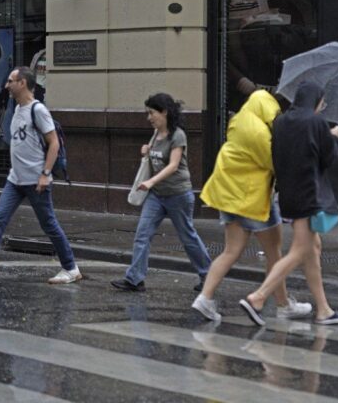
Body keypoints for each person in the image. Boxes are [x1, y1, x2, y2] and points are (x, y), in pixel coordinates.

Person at [0, 67, 81, 284]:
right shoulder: (17, 109)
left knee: (49, 224)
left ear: (22, 83)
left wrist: (45, 174)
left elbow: (54, 143)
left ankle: (70, 268)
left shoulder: (37, 110)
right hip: (15, 180)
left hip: (36, 180)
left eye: (10, 81)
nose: (6, 85)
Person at [191, 90, 312, 322]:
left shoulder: (240, 121)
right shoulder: (260, 133)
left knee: (231, 251)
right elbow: (277, 163)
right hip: (251, 197)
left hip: (229, 195)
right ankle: (282, 304)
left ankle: (204, 298)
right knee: (274, 254)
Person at [239, 82, 338, 326]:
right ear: (316, 100)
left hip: (288, 193)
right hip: (310, 194)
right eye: (322, 102)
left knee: (313, 250)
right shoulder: (316, 122)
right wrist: (335, 138)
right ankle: (258, 297)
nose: (322, 106)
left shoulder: (282, 121)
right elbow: (328, 157)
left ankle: (323, 309)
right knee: (300, 250)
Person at [111, 93, 211, 292]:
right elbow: (156, 157)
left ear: (164, 112)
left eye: (152, 113)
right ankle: (135, 279)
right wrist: (147, 150)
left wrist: (150, 182)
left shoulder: (178, 135)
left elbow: (173, 166)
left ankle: (208, 275)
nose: (149, 117)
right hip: (157, 195)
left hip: (178, 195)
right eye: (147, 113)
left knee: (187, 237)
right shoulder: (156, 134)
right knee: (142, 234)